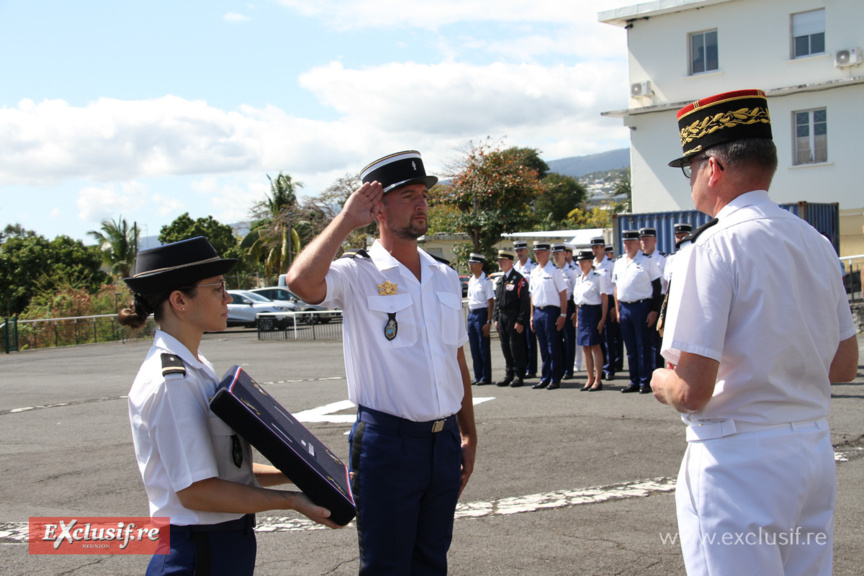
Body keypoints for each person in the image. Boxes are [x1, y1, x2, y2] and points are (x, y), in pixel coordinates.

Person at [652, 89, 858, 576]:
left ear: (713, 168)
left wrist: (662, 383)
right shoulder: (816, 242)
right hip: (810, 450)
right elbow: (844, 366)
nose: (692, 181)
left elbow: (691, 391)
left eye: (691, 168)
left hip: (737, 459)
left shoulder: (710, 249)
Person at [284, 150, 477, 576]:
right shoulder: (358, 272)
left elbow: (455, 359)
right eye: (407, 195)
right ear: (378, 209)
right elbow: (301, 283)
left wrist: (468, 434)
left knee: (432, 561)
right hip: (389, 445)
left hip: (442, 442)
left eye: (424, 195)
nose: (421, 204)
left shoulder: (444, 275)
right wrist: (345, 220)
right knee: (386, 566)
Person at [122, 237, 338, 576]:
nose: (229, 298)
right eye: (217, 288)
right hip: (197, 551)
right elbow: (198, 492)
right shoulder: (171, 383)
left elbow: (228, 471)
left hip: (224, 544)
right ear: (179, 300)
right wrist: (292, 501)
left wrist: (319, 478)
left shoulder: (196, 365)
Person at [612, 230, 662, 394]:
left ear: (638, 243)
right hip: (625, 307)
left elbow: (657, 287)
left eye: (631, 243)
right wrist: (618, 309)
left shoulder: (647, 261)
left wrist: (654, 309)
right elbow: (616, 288)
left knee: (643, 345)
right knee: (631, 347)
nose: (627, 246)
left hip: (642, 307)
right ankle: (633, 380)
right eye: (625, 243)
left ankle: (645, 381)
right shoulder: (619, 262)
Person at [528, 241, 568, 390]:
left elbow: (563, 294)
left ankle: (555, 378)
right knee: (543, 347)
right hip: (538, 311)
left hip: (551, 311)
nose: (536, 255)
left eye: (539, 253)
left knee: (553, 346)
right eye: (535, 253)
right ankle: (545, 377)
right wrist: (532, 316)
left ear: (547, 253)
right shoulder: (534, 271)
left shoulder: (554, 271)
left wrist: (563, 314)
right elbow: (532, 295)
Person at [492, 248, 530, 388]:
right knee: (505, 347)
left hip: (513, 316)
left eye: (502, 261)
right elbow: (497, 300)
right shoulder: (501, 280)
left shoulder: (519, 279)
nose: (500, 263)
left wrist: (520, 321)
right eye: (499, 261)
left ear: (510, 262)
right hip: (502, 316)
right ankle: (509, 374)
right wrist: (495, 318)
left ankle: (519, 375)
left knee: (516, 347)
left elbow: (524, 302)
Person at [572, 249, 608, 391]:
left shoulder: (597, 277)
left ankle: (598, 379)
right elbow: (577, 301)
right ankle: (589, 378)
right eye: (579, 262)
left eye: (583, 262)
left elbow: (604, 298)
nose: (580, 264)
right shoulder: (578, 279)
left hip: (593, 313)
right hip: (582, 313)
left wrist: (603, 318)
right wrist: (577, 317)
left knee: (595, 346)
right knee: (585, 348)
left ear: (590, 262)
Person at [591, 237, 619, 381]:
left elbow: (615, 286)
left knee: (609, 337)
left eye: (598, 247)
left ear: (603, 248)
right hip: (595, 302)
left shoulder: (611, 264)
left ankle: (610, 368)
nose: (595, 250)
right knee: (598, 337)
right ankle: (599, 368)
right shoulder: (591, 264)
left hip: (608, 301)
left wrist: (614, 306)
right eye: (593, 248)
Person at [639, 227, 667, 371]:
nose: (644, 242)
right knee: (643, 340)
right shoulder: (639, 260)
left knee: (656, 339)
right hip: (643, 301)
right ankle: (645, 372)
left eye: (647, 239)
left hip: (659, 300)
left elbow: (666, 283)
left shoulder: (661, 259)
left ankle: (657, 369)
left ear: (655, 240)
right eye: (642, 239)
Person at [466, 252, 495, 385]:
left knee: (483, 346)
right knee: (474, 347)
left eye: (473, 263)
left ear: (480, 265)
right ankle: (477, 375)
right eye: (469, 263)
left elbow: (490, 302)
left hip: (481, 314)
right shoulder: (471, 280)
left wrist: (489, 321)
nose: (470, 266)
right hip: (471, 314)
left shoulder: (486, 281)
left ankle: (485, 376)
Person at [513, 240, 538, 378]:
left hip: (529, 303)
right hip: (517, 305)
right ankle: (522, 366)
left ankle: (531, 368)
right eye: (517, 251)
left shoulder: (533, 267)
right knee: (519, 339)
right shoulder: (515, 267)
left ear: (527, 251)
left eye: (521, 250)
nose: (519, 253)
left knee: (529, 339)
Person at [552, 243, 577, 379]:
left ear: (565, 254)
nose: (556, 257)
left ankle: (569, 369)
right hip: (556, 306)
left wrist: (574, 311)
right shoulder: (553, 270)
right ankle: (560, 367)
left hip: (568, 305)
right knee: (557, 339)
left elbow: (575, 291)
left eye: (558, 254)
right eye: (554, 254)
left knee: (568, 339)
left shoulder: (572, 271)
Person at [662, 222, 692, 286]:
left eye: (683, 236)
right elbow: (668, 281)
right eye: (677, 237)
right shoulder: (671, 258)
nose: (680, 239)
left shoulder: (695, 255)